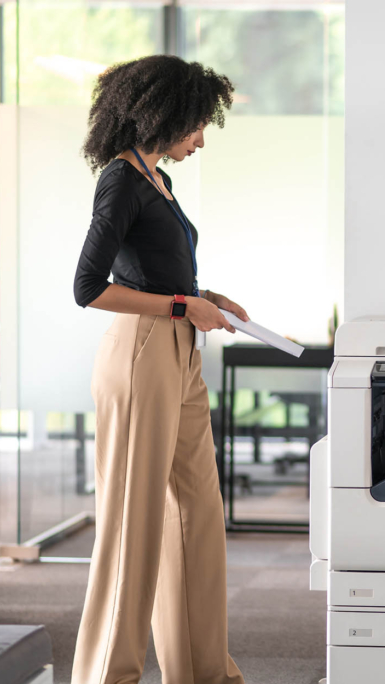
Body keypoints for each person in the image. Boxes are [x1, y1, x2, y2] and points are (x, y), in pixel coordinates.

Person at [71, 54, 247, 684]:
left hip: (180, 353)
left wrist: (209, 299)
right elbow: (89, 288)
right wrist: (181, 304)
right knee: (134, 522)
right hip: (142, 352)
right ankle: (107, 675)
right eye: (197, 125)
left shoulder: (157, 180)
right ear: (164, 115)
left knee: (197, 514)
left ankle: (202, 671)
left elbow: (157, 271)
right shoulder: (121, 179)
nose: (200, 138)